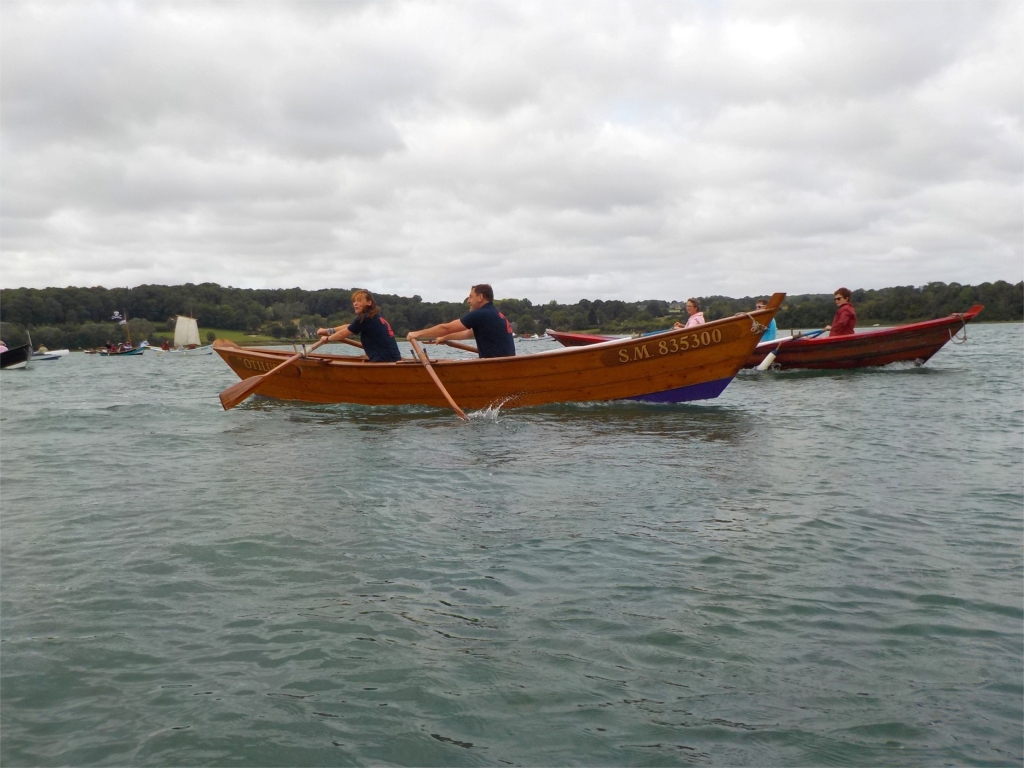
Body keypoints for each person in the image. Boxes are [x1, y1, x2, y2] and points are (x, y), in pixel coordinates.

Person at [407, 284, 515, 358]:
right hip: (505, 364)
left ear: (480, 297)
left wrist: (417, 334)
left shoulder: (480, 314)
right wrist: (444, 338)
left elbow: (446, 328)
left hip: (495, 366)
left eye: (471, 297)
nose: (468, 301)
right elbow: (467, 333)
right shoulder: (495, 314)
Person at [316, 289, 402, 362]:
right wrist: (327, 331)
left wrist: (327, 339)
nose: (355, 303)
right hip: (394, 359)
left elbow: (343, 334)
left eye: (359, 301)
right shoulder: (374, 316)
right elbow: (349, 326)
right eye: (354, 301)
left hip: (384, 362)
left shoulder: (365, 318)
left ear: (369, 302)